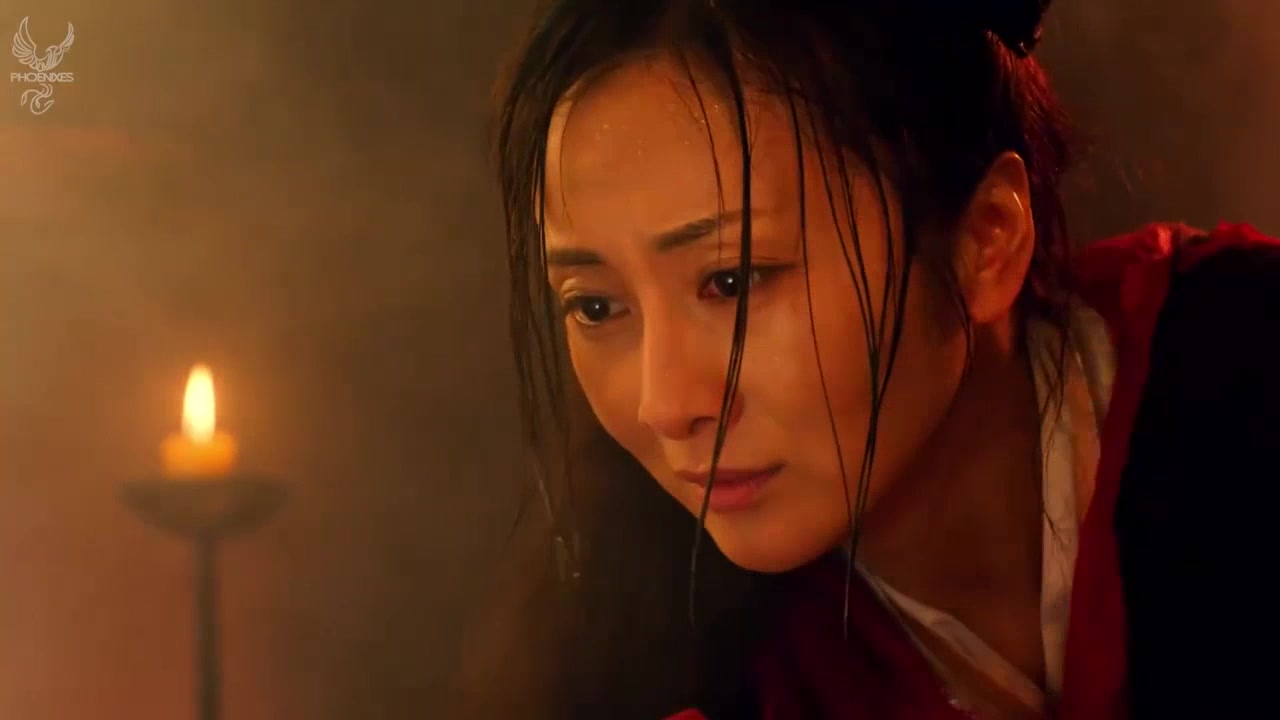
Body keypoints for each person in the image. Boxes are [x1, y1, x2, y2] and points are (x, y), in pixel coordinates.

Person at [458, 1, 1280, 718]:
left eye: (734, 280)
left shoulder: (1241, 360)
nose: (665, 404)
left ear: (986, 239)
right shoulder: (659, 659)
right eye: (597, 307)